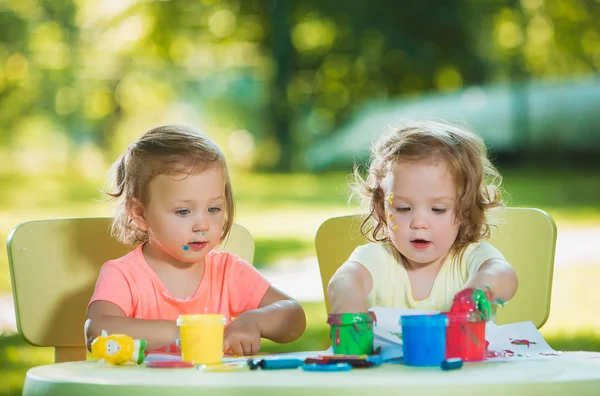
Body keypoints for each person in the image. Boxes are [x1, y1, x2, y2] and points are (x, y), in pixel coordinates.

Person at [85, 124, 306, 356]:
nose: (203, 225)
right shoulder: (123, 275)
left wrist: (255, 321)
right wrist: (186, 333)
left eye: (213, 209)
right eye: (183, 212)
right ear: (140, 213)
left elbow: (294, 316)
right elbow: (97, 330)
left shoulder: (227, 272)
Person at [327, 120, 518, 319]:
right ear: (381, 209)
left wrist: (480, 289)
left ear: (465, 211)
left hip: (466, 350)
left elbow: (504, 276)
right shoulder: (377, 259)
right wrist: (349, 298)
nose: (418, 223)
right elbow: (345, 279)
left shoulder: (471, 259)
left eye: (438, 209)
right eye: (403, 208)